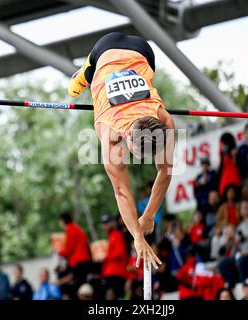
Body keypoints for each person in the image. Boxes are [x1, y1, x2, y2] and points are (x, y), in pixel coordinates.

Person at [68, 32, 174, 270]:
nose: (139, 158)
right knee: (73, 91)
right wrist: (137, 237)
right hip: (104, 50)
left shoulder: (163, 120)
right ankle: (84, 72)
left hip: (142, 51)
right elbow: (121, 192)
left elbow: (166, 171)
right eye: (138, 152)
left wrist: (148, 216)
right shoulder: (110, 134)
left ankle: (91, 74)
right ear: (128, 138)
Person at [218, 201, 248, 287]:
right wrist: (231, 240)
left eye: (247, 207)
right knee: (222, 264)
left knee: (241, 260)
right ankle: (233, 285)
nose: (245, 209)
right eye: (243, 208)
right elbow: (237, 245)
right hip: (242, 253)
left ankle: (245, 285)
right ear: (240, 211)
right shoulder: (240, 226)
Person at [58, 212, 93, 286]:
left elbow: (69, 248)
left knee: (70, 281)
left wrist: (59, 252)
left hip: (79, 261)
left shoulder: (70, 229)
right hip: (84, 260)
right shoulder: (76, 227)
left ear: (62, 221)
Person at [100, 214, 129, 299]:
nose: (105, 225)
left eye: (107, 222)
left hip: (117, 272)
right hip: (110, 272)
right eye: (103, 223)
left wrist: (105, 257)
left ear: (112, 222)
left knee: (116, 295)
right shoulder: (110, 236)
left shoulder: (116, 234)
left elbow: (120, 252)